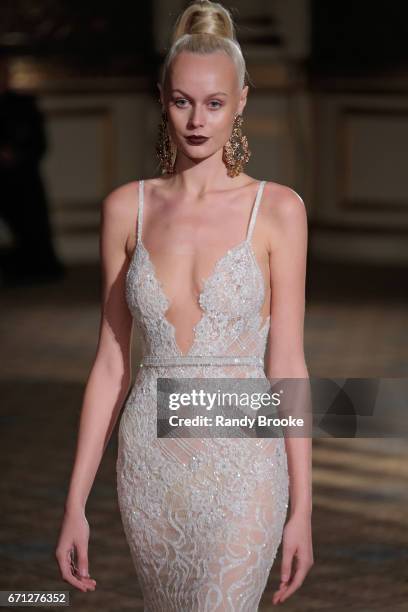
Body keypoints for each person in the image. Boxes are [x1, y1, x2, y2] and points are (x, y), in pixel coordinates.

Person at [55, 1, 313, 609]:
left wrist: (303, 508)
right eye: (182, 101)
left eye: (215, 103)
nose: (197, 120)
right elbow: (111, 365)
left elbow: (290, 366)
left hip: (246, 462)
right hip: (151, 465)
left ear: (242, 101)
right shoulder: (127, 208)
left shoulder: (278, 210)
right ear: (162, 98)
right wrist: (74, 503)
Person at [0, 53, 65, 286]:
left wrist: (15, 154)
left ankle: (34, 265)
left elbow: (39, 143)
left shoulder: (24, 104)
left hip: (22, 173)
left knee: (30, 212)